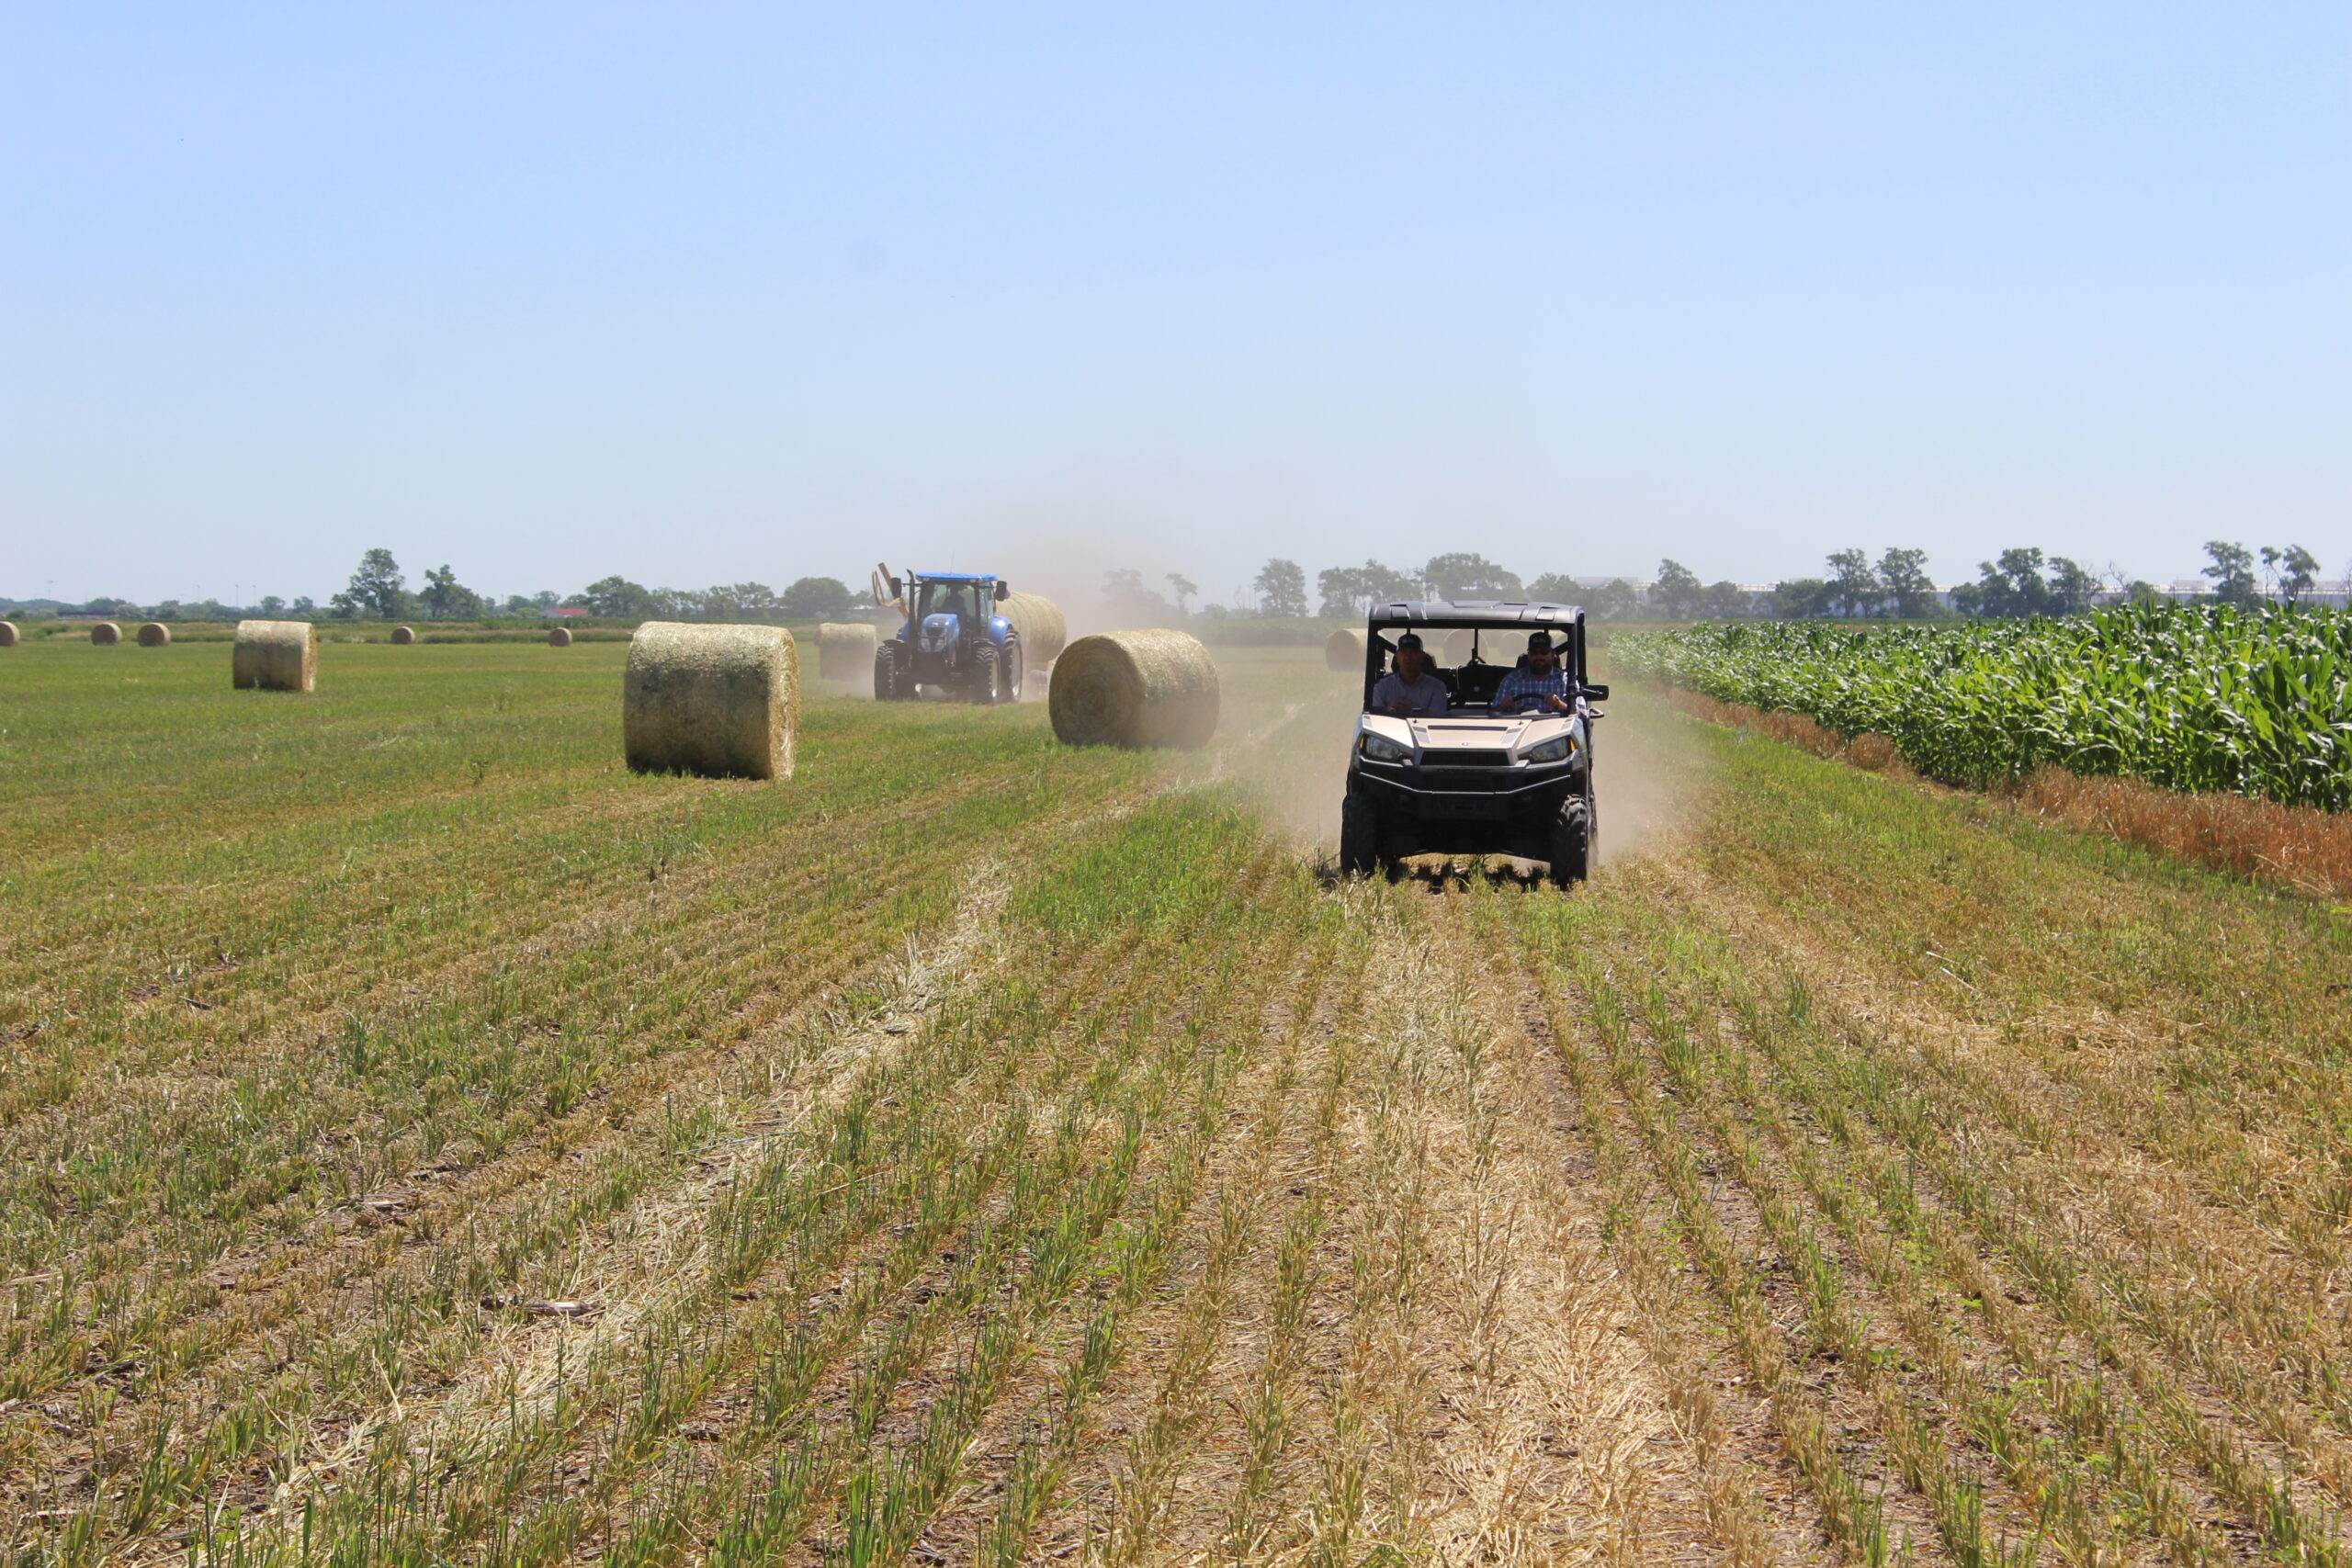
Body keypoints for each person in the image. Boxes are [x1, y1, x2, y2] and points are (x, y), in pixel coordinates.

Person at [1492, 630, 1576, 714]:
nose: (1539, 656)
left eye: (1544, 652)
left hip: (1554, 725)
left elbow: (1581, 714)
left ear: (1553, 654)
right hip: (1518, 725)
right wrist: (1502, 706)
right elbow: (1493, 712)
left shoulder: (1565, 681)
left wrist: (1559, 704)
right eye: (1534, 652)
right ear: (1528, 655)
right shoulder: (1512, 680)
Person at [1369, 632, 1449, 716]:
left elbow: (1439, 718)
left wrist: (1415, 710)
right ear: (1397, 657)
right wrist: (1391, 710)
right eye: (1403, 652)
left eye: (1413, 652)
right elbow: (1374, 717)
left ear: (1422, 657)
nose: (1408, 657)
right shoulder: (1381, 687)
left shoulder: (1437, 687)